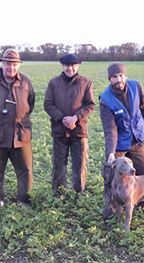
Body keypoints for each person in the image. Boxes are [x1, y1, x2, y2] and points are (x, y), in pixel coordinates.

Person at [99, 62, 144, 221]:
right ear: (109, 79)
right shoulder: (106, 99)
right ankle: (111, 208)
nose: (118, 79)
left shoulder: (135, 86)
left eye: (120, 75)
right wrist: (111, 152)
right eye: (114, 77)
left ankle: (143, 204)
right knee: (112, 176)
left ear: (125, 75)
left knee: (143, 172)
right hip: (118, 144)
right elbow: (110, 129)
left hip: (137, 138)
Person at [0, 48, 35, 205]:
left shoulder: (25, 82)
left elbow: (30, 104)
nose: (10, 68)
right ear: (2, 63)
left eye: (14, 64)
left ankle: (24, 201)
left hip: (21, 134)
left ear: (18, 65)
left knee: (25, 171)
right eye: (7, 64)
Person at [44, 54, 95, 196]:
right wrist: (62, 119)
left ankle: (79, 193)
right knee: (59, 164)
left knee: (80, 164)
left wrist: (75, 118)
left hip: (79, 131)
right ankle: (59, 194)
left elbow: (90, 104)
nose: (70, 68)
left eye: (73, 65)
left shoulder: (85, 82)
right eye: (67, 65)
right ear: (62, 66)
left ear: (77, 66)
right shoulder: (53, 83)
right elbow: (48, 104)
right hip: (59, 130)